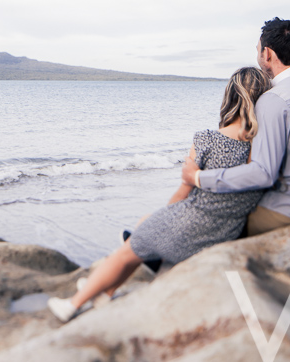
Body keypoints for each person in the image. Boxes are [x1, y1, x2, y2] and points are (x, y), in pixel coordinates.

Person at [48, 67, 272, 323]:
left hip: (192, 228)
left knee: (131, 245)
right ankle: (106, 291)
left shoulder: (206, 139)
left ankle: (72, 304)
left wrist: (165, 216)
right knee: (145, 226)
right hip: (224, 233)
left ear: (230, 97)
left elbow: (184, 191)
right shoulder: (262, 155)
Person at [181, 17, 290, 236]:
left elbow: (263, 173)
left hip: (287, 213)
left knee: (217, 219)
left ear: (267, 54)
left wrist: (198, 178)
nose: (258, 56)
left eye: (258, 50)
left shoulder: (275, 99)